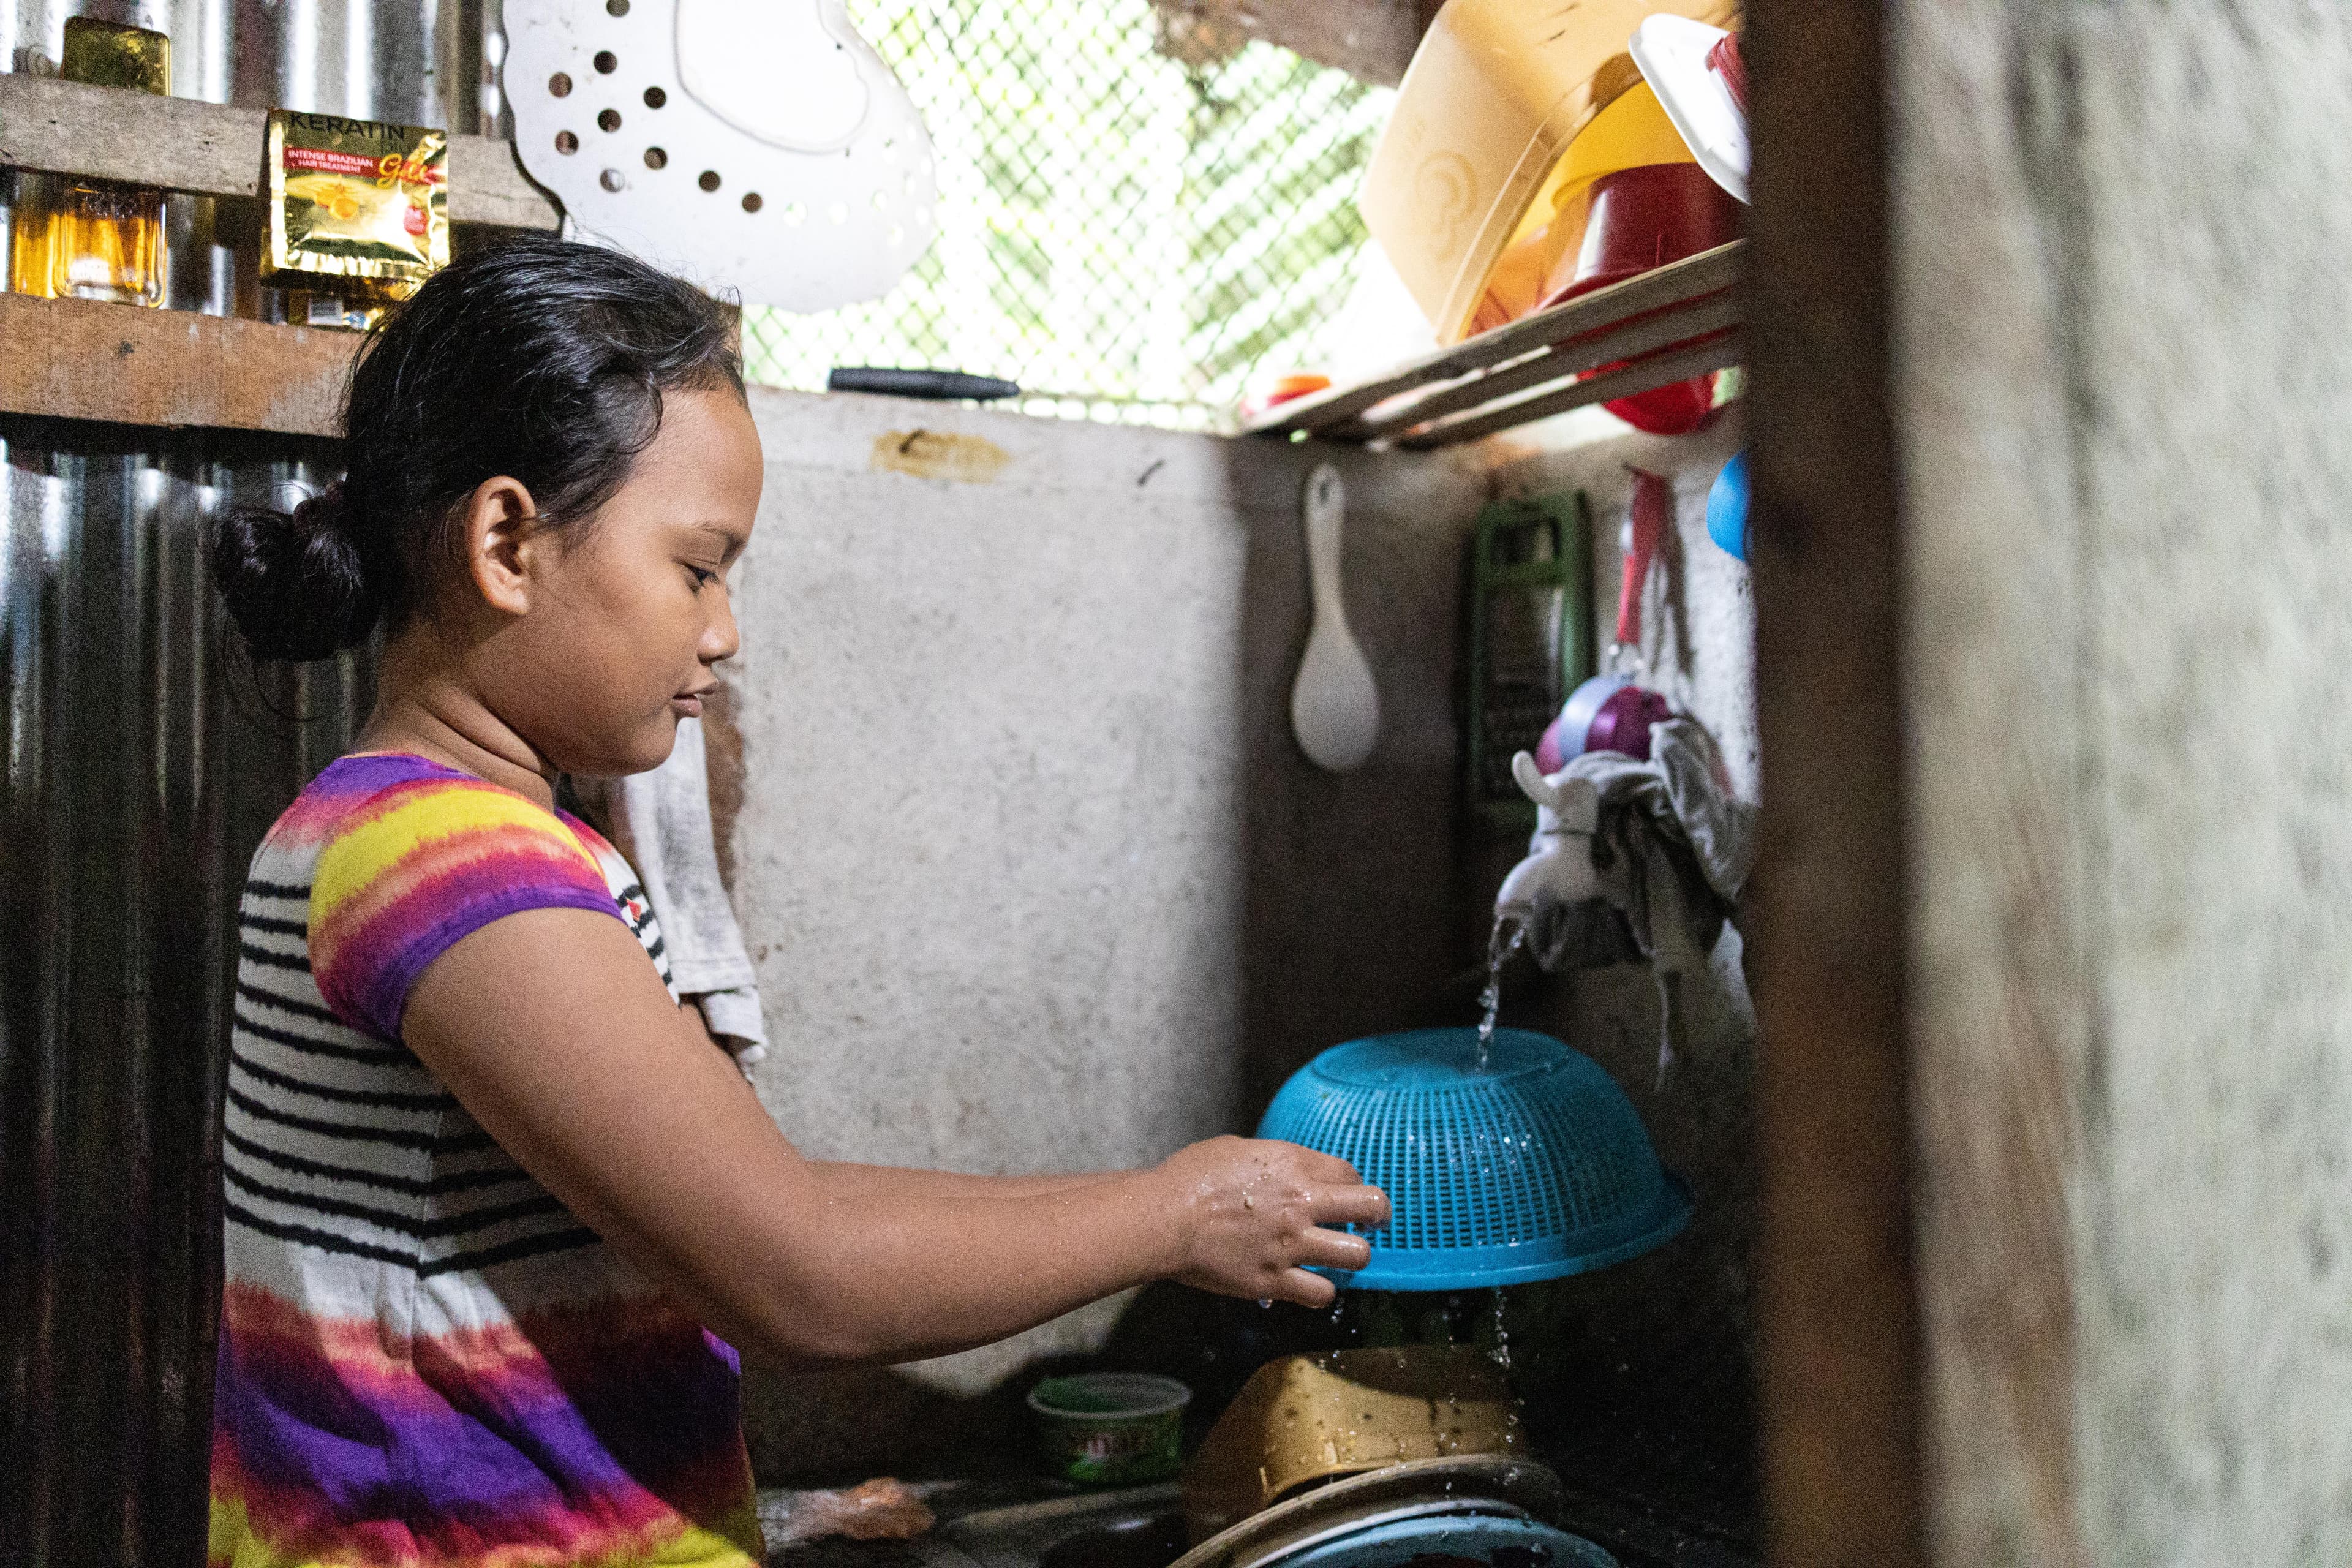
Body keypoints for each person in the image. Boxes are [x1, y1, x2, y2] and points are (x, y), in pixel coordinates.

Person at [204, 236, 1385, 1568]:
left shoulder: (406, 835)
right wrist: (1171, 1219)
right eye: (698, 568)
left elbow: (763, 1198)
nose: (724, 630)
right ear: (507, 540)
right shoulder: (453, 867)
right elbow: (797, 1274)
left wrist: (1170, 1193)